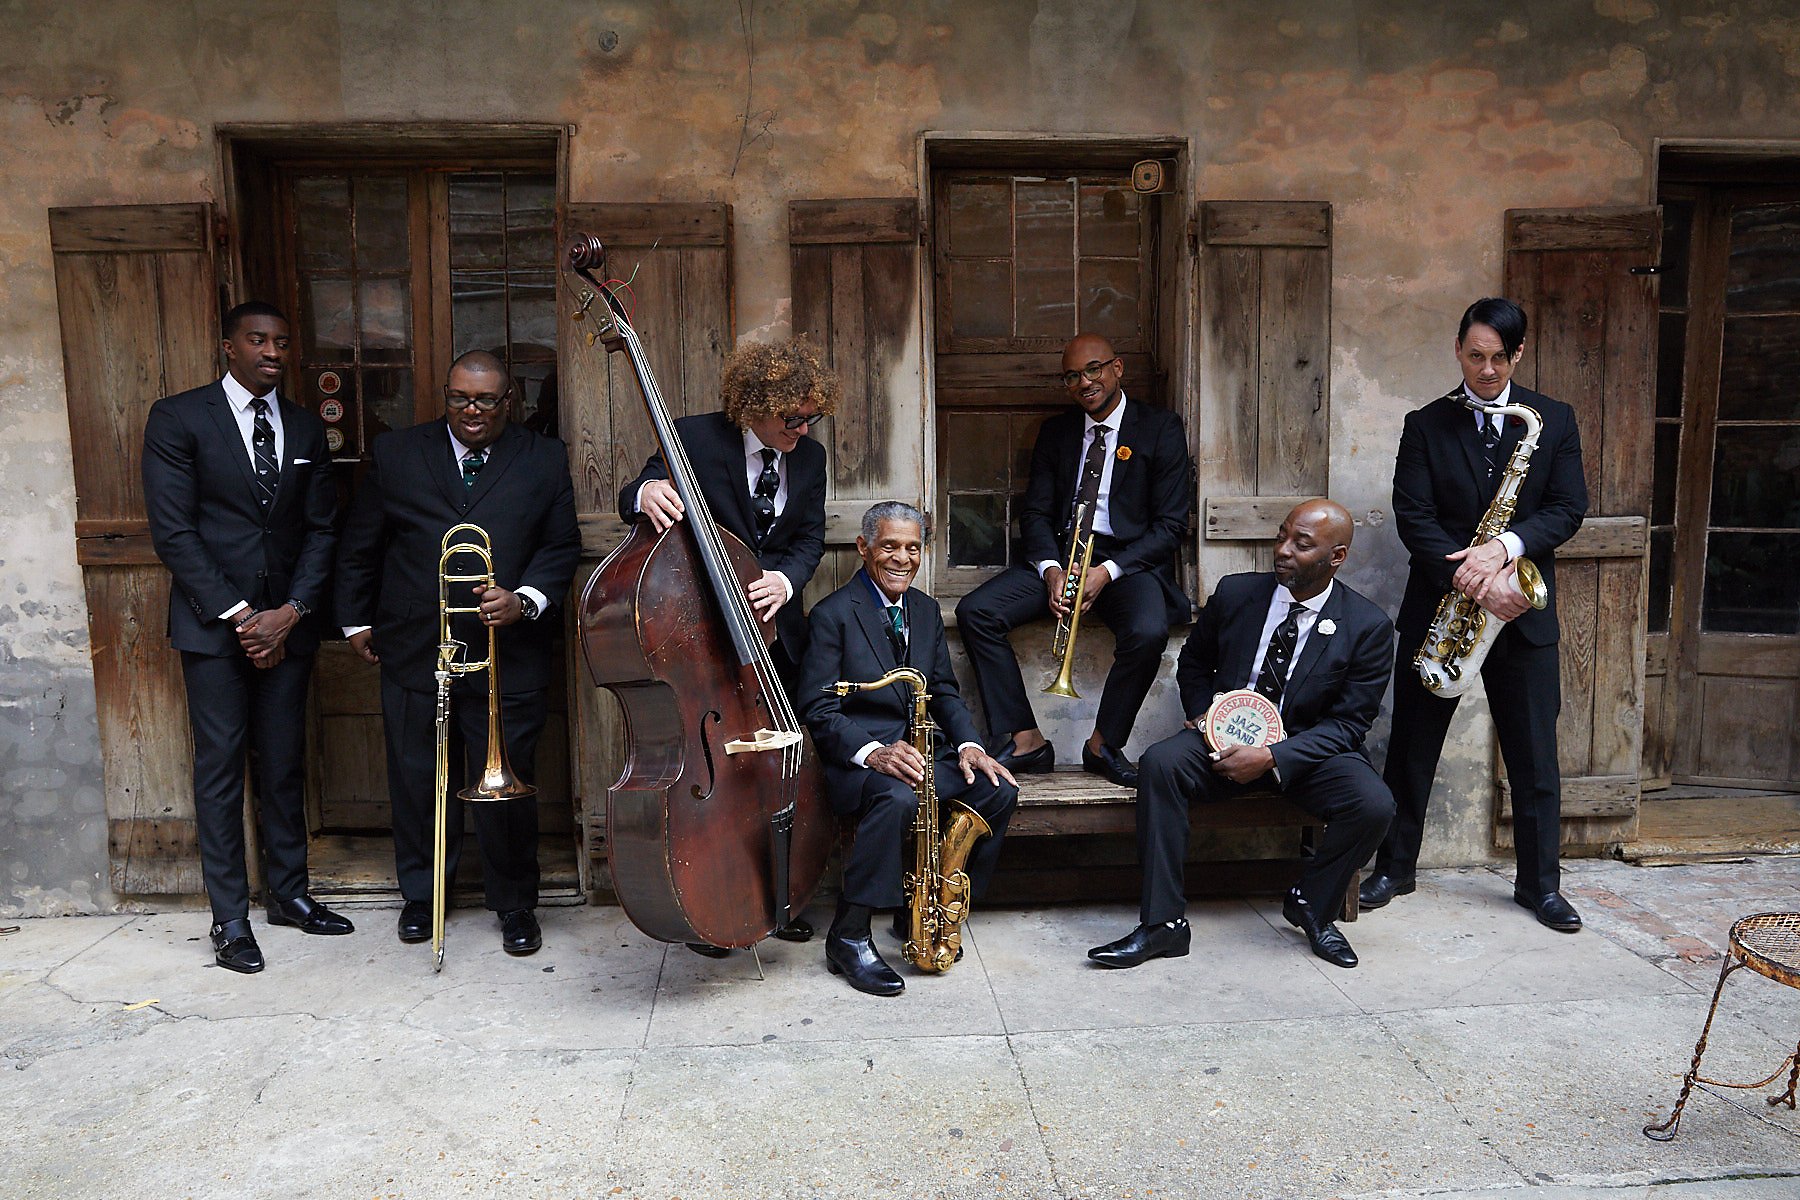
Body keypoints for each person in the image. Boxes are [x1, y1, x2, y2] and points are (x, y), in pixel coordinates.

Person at [335, 350, 580, 957]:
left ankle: (516, 904)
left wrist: (525, 599)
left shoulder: (543, 457)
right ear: (445, 396)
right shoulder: (397, 453)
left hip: (509, 654)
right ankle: (423, 895)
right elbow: (362, 541)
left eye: (486, 400)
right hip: (417, 645)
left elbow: (561, 545)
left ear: (509, 402)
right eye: (460, 399)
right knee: (418, 778)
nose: (471, 411)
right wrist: (356, 618)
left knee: (506, 785)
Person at [1361, 297, 1589, 932]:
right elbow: (1414, 515)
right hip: (1444, 607)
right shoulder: (1425, 423)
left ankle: (1540, 886)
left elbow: (1568, 508)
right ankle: (1395, 868)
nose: (1486, 370)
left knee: (1535, 755)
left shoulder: (1555, 419)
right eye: (1474, 356)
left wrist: (1504, 551)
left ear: (1517, 354)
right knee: (1411, 745)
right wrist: (1472, 581)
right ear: (1457, 350)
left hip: (1522, 607)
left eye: (1498, 357)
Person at [1088, 499, 1395, 970]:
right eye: (1281, 536)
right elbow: (1193, 663)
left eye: (1302, 544)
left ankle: (1314, 904)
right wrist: (1199, 714)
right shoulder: (1236, 594)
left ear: (1336, 558)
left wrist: (1273, 755)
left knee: (1374, 804)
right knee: (1160, 763)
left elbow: (1349, 725)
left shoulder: (1367, 626)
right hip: (1221, 739)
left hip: (1303, 750)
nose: (1283, 551)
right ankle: (1163, 925)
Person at [142, 300, 352, 973]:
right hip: (215, 632)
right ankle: (230, 918)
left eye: (282, 342)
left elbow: (322, 528)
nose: (272, 352)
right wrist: (241, 617)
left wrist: (290, 612)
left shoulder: (301, 426)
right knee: (221, 770)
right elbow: (175, 531)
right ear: (227, 345)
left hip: (287, 626)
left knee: (285, 763)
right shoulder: (178, 418)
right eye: (258, 340)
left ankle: (289, 895)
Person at [620, 336, 837, 951]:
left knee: (777, 773)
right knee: (727, 779)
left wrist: (786, 581)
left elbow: (809, 541)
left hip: (773, 639)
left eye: (811, 417)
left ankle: (780, 896)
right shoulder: (693, 436)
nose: (802, 428)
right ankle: (719, 899)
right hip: (705, 645)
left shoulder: (810, 458)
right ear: (753, 405)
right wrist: (643, 494)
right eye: (792, 417)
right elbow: (629, 497)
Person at [798, 502, 1018, 996]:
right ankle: (849, 934)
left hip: (920, 753)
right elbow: (817, 708)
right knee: (898, 798)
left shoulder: (924, 610)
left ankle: (928, 908)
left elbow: (941, 688)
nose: (903, 558)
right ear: (864, 549)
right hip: (859, 763)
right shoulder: (833, 615)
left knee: (997, 789)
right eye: (890, 546)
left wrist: (968, 743)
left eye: (913, 547)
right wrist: (874, 751)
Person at [956, 332, 1191, 788]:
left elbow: (1170, 526)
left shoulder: (1160, 428)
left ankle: (1103, 745)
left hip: (1127, 563)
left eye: (1093, 369)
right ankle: (1027, 740)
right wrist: (1050, 571)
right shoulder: (1057, 432)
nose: (1084, 382)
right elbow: (1037, 513)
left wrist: (1106, 572)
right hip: (1062, 558)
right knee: (976, 612)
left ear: (1117, 368)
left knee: (1148, 630)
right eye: (1072, 376)